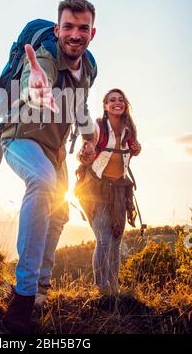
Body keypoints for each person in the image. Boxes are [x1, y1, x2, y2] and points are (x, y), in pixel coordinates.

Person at [0, 0, 98, 333]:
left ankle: (40, 291)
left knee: (59, 213)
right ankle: (21, 303)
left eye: (82, 28)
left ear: (91, 33)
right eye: (68, 27)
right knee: (42, 183)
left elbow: (79, 107)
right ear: (57, 30)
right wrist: (33, 87)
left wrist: (88, 141)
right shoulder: (44, 54)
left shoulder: (90, 69)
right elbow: (33, 76)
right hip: (18, 136)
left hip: (53, 150)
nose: (74, 34)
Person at [75, 88, 141, 295]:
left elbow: (130, 152)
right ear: (105, 106)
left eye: (121, 99)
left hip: (120, 189)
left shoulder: (129, 130)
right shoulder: (97, 127)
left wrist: (137, 149)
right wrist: (85, 153)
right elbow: (83, 154)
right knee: (103, 238)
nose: (116, 103)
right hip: (95, 188)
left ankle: (113, 289)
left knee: (116, 239)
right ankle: (101, 289)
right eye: (111, 100)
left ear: (125, 105)